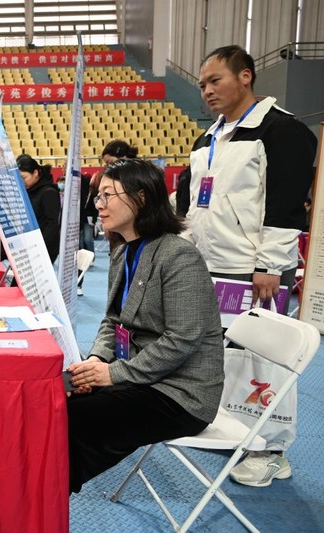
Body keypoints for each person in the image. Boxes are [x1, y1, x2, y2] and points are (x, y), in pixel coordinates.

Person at [186, 44, 317, 487]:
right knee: (224, 355)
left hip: (255, 269)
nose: (207, 90)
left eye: (215, 80)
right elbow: (198, 205)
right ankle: (235, 430)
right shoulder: (208, 139)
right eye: (201, 84)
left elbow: (285, 205)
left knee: (265, 359)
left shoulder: (282, 130)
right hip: (212, 265)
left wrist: (272, 265)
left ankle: (272, 450)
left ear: (245, 76)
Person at [65, 158, 224, 493]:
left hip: (180, 393)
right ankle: (43, 489)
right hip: (140, 375)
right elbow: (113, 319)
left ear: (141, 198)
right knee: (63, 397)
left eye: (108, 195)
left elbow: (181, 340)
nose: (99, 205)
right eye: (98, 196)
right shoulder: (123, 251)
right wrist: (97, 360)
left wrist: (112, 374)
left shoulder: (179, 256)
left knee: (76, 418)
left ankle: (46, 493)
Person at [16, 154, 61, 263]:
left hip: (43, 248)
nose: (21, 182)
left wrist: (40, 248)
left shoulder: (49, 193)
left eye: (23, 178)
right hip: (30, 245)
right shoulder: (29, 190)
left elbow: (52, 225)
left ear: (35, 173)